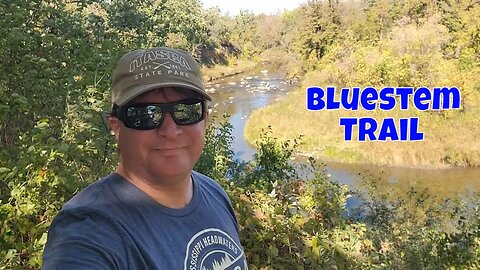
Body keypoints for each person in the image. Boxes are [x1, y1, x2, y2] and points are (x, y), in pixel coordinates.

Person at [42, 47, 248, 270]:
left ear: (205, 120)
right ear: (117, 128)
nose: (170, 130)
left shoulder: (213, 193)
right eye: (145, 115)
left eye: (186, 110)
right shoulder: (88, 230)